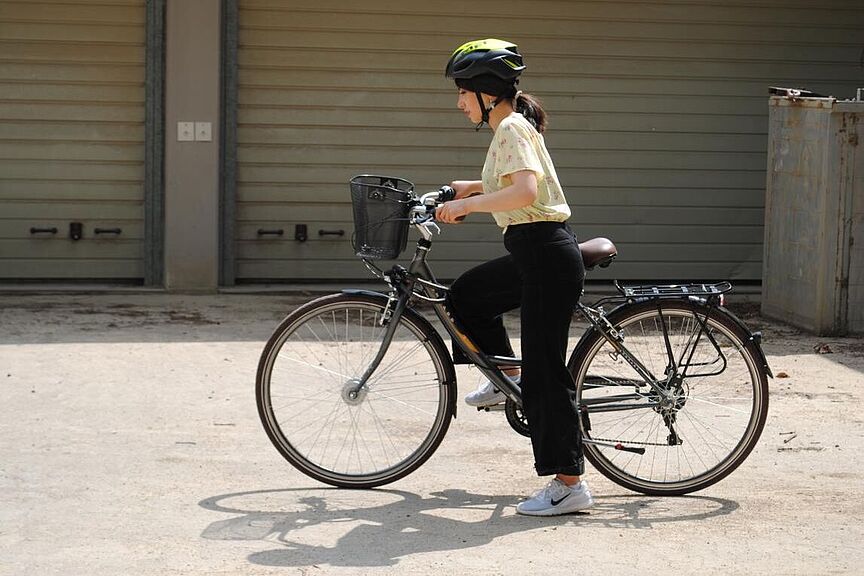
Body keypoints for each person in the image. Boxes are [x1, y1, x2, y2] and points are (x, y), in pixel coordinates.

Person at [436, 39, 593, 516]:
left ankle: (569, 484)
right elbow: (516, 182)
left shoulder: (511, 128)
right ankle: (507, 375)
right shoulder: (511, 127)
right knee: (467, 297)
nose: (459, 103)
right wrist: (469, 187)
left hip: (545, 252)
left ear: (486, 92)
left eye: (462, 92)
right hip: (532, 251)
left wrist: (467, 205)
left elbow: (524, 192)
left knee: (546, 371)